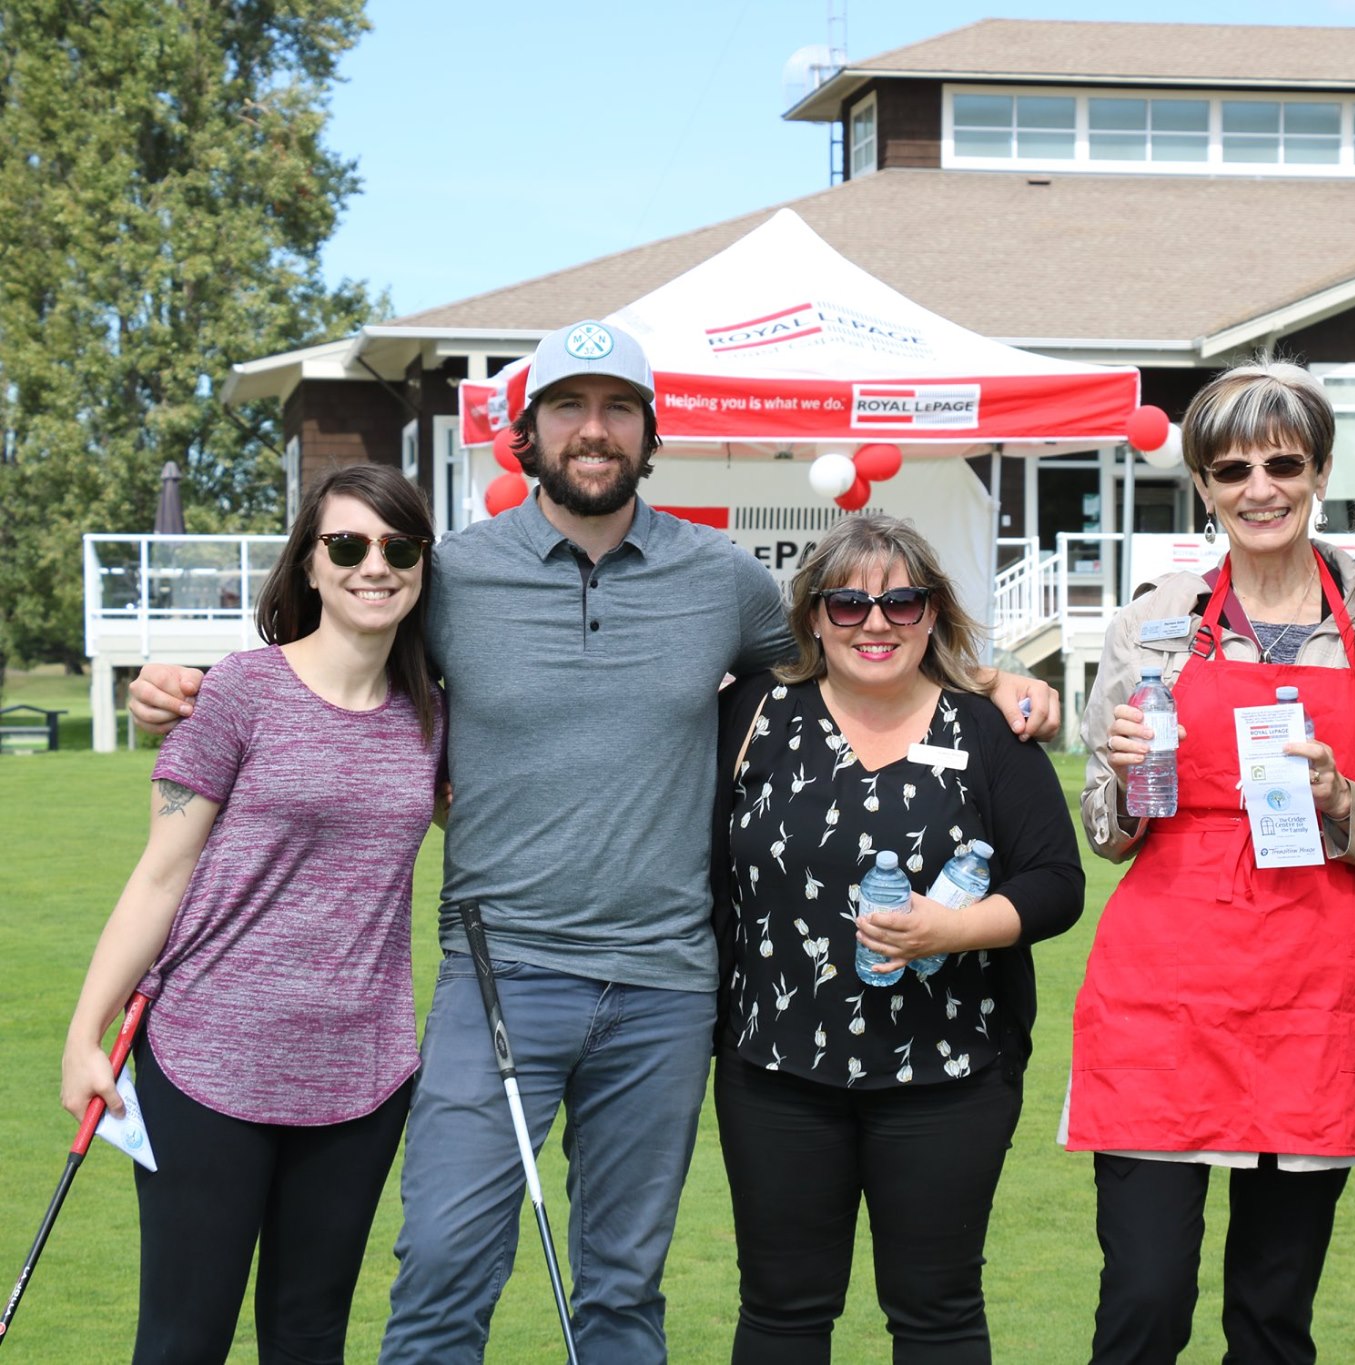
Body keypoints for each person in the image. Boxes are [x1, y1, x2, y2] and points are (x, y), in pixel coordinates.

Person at [125, 319, 1059, 1362]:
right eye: (568, 407)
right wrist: (188, 680)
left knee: (619, 1291)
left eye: (618, 408)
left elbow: (861, 647)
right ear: (526, 435)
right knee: (440, 1268)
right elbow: (332, 649)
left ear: (649, 435)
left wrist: (993, 679)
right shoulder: (454, 575)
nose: (593, 429)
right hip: (500, 973)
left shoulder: (723, 580)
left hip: (663, 991)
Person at [1067, 359, 1355, 1365]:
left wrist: (1343, 800)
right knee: (1142, 1302)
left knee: (1270, 1317)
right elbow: (1102, 832)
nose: (1257, 488)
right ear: (1202, 486)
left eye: (1281, 462)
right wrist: (1130, 784)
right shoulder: (1148, 626)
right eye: (1229, 470)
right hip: (1164, 988)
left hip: (1318, 990)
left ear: (1317, 472)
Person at [64, 465, 442, 1363]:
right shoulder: (238, 691)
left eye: (399, 547)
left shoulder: (435, 714)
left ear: (423, 565)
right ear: (309, 564)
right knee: (184, 1338)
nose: (373, 566)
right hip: (207, 1064)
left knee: (310, 1337)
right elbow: (161, 874)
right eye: (346, 546)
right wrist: (86, 1032)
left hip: (364, 1074)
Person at [710, 514, 1084, 1363]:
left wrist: (952, 929)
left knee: (937, 1312)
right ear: (813, 616)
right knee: (780, 1309)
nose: (875, 623)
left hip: (947, 1075)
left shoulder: (987, 728)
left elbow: (1055, 883)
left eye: (901, 601)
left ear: (931, 613)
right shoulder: (754, 717)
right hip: (776, 1069)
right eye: (847, 604)